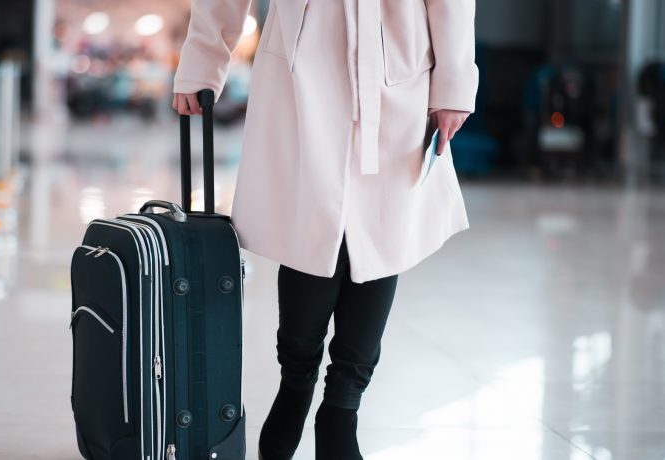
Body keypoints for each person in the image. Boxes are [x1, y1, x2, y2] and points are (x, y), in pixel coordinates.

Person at [172, 0, 478, 458]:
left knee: (381, 233)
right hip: (305, 56)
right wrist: (202, 61)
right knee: (311, 228)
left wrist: (453, 81)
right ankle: (296, 384)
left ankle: (341, 407)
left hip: (396, 53)